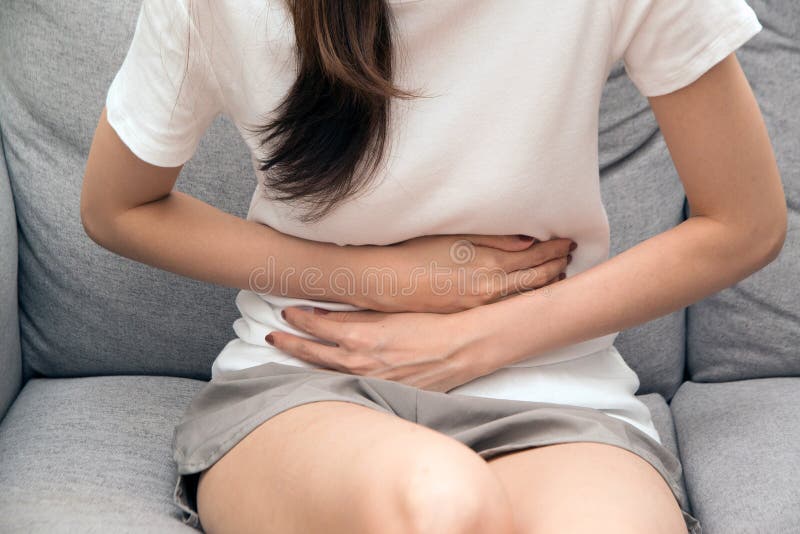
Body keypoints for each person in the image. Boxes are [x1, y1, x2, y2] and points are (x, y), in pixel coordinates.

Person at [81, 0, 786, 532]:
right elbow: (119, 207)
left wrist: (479, 338)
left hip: (558, 400)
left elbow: (743, 223)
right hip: (308, 387)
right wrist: (383, 281)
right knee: (439, 499)